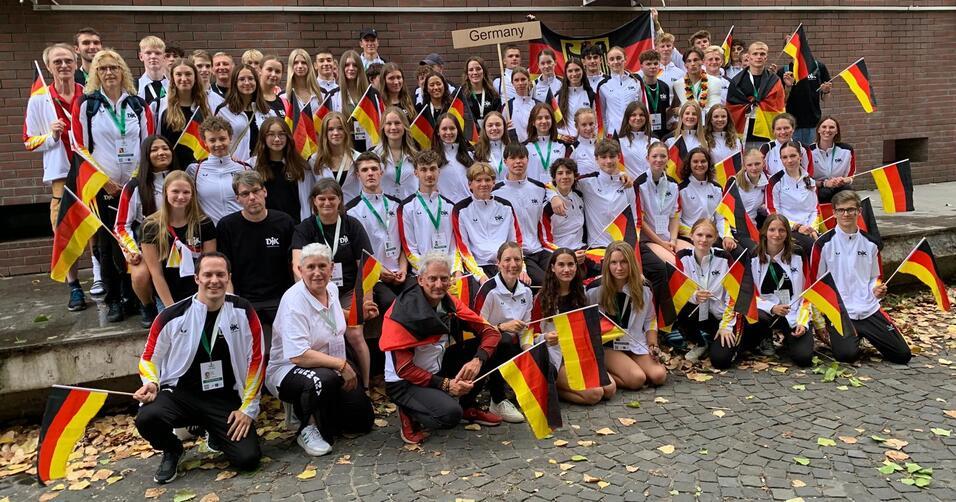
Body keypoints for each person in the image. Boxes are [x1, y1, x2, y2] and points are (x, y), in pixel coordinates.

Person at [133, 252, 264, 484]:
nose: (214, 280)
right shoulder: (171, 316)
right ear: (196, 279)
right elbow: (148, 358)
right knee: (147, 417)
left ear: (229, 277)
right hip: (181, 396)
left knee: (248, 459)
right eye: (208, 274)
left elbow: (257, 360)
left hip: (224, 398)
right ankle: (172, 449)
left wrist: (247, 409)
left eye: (220, 274)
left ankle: (214, 431)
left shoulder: (243, 311)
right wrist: (151, 382)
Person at [380, 251, 503, 445]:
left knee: (493, 347)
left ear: (451, 280)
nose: (439, 285)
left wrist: (477, 360)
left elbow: (491, 332)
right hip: (405, 381)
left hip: (436, 367)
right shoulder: (402, 311)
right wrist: (447, 385)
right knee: (449, 415)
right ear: (420, 280)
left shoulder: (449, 302)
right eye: (432, 279)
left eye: (444, 279)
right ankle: (408, 410)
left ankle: (468, 405)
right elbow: (404, 369)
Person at [266, 243, 376, 456]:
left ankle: (324, 412)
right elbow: (298, 355)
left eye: (322, 266)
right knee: (323, 379)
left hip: (329, 363)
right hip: (289, 369)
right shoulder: (293, 302)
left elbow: (330, 313)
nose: (317, 273)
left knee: (362, 421)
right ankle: (308, 427)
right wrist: (341, 364)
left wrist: (357, 312)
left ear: (331, 268)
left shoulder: (331, 289)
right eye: (311, 267)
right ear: (300, 270)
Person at [72, 49, 154, 322]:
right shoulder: (87, 104)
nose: (109, 73)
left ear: (123, 71)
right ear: (95, 73)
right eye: (103, 68)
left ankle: (138, 297)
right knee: (108, 244)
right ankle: (114, 298)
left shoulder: (138, 104)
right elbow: (79, 146)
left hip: (133, 185)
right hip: (103, 186)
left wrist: (136, 178)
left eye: (114, 67)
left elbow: (149, 143)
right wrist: (104, 182)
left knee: (138, 240)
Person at [809, 190, 912, 365]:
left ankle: (864, 334)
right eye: (841, 210)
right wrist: (823, 316)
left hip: (868, 308)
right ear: (833, 212)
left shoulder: (871, 243)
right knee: (846, 355)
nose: (846, 214)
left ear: (859, 211)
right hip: (841, 311)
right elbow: (816, 283)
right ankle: (849, 336)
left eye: (850, 209)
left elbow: (876, 276)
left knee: (902, 355)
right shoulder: (823, 244)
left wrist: (877, 288)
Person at [291, 179, 374, 385]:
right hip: (316, 292)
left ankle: (364, 384)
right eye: (322, 199)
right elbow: (297, 265)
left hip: (347, 290)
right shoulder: (305, 228)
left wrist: (364, 301)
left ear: (340, 200)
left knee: (355, 333)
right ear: (314, 202)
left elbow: (366, 266)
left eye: (332, 198)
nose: (327, 203)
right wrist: (311, 294)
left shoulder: (351, 224)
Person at [25, 43, 86, 311]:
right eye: (57, 62)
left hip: (88, 170)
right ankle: (74, 286)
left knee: (95, 228)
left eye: (68, 61)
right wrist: (51, 136)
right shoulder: (40, 100)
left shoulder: (88, 95)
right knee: (64, 229)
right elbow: (28, 142)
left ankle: (100, 279)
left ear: (76, 63)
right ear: (48, 67)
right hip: (61, 174)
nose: (63, 66)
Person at [533, 248, 616, 403]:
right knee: (594, 395)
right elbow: (531, 333)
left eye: (571, 264)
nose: (567, 269)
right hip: (557, 357)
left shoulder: (582, 293)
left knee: (610, 389)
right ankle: (551, 385)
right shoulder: (542, 298)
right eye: (561, 265)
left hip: (579, 353)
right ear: (552, 267)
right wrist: (545, 337)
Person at [216, 170, 295, 327]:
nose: (252, 198)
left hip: (281, 299)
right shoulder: (227, 226)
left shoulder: (284, 222)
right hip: (244, 301)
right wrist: (231, 304)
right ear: (237, 198)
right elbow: (225, 269)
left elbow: (294, 264)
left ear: (264, 191)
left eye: (256, 191)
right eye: (245, 194)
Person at [588, 241, 667, 390]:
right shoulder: (594, 290)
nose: (619, 268)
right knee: (637, 379)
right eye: (614, 262)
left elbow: (650, 319)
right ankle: (607, 372)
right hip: (608, 346)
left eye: (624, 262)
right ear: (607, 265)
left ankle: (627, 368)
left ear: (631, 262)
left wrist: (652, 344)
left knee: (658, 375)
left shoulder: (644, 288)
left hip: (634, 342)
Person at [737, 214, 813, 368]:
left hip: (792, 311)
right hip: (766, 311)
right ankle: (764, 337)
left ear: (787, 233)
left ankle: (788, 340)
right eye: (772, 230)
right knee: (750, 330)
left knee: (804, 358)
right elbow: (748, 293)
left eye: (782, 230)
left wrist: (803, 322)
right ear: (764, 231)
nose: (777, 235)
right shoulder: (753, 255)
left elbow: (808, 291)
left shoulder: (798, 254)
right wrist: (771, 307)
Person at [115, 135, 175, 327]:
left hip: (178, 241)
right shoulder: (134, 186)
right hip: (148, 243)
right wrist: (132, 251)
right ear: (146, 156)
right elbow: (121, 225)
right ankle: (148, 306)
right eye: (154, 150)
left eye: (165, 148)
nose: (161, 153)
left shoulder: (182, 178)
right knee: (140, 274)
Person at [140, 171, 217, 309]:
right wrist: (172, 308)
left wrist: (201, 302)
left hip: (199, 296)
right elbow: (156, 274)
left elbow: (208, 267)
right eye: (175, 191)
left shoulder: (204, 224)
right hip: (167, 297)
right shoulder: (150, 226)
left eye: (186, 192)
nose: (181, 197)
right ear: (165, 193)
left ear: (192, 194)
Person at [475, 242, 532, 423]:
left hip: (514, 349)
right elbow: (476, 327)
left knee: (539, 353)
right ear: (498, 263)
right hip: (488, 348)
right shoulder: (489, 290)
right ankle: (497, 399)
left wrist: (528, 349)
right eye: (507, 259)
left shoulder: (527, 291)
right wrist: (501, 327)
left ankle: (519, 391)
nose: (512, 264)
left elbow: (528, 328)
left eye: (517, 259)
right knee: (505, 339)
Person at [345, 152, 411, 301]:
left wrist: (403, 269)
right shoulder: (350, 210)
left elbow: (405, 243)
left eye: (374, 169)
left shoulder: (397, 205)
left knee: (417, 298)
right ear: (357, 175)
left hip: (400, 273)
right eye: (365, 170)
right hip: (374, 277)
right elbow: (356, 251)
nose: (370, 173)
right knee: (392, 303)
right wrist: (378, 271)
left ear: (381, 173)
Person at [674, 218, 739, 362]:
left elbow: (733, 294)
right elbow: (679, 289)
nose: (703, 239)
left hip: (724, 315)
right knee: (680, 309)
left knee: (720, 360)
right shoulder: (682, 256)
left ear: (715, 238)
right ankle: (700, 343)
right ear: (691, 236)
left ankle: (734, 345)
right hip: (701, 312)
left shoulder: (724, 257)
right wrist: (694, 296)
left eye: (709, 236)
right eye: (699, 235)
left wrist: (726, 326)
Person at [493, 143, 552, 285]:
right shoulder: (495, 192)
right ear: (505, 161)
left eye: (521, 157)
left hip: (540, 249)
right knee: (546, 283)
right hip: (519, 254)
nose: (518, 162)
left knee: (564, 273)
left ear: (527, 160)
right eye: (513, 158)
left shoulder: (539, 188)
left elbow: (553, 190)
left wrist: (554, 196)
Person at [453, 162, 522, 281]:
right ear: (470, 184)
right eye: (478, 180)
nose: (483, 184)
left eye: (487, 180)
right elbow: (463, 248)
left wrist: (522, 269)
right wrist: (479, 276)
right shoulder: (461, 210)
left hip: (504, 265)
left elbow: (515, 241)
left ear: (493, 182)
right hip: (477, 266)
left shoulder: (506, 206)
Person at [398, 150, 457, 274]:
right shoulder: (406, 207)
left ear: (439, 171)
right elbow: (410, 249)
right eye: (424, 170)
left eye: (432, 169)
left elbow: (454, 248)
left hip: (448, 273)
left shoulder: (451, 207)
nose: (429, 174)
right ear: (416, 173)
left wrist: (452, 271)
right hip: (421, 274)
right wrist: (430, 271)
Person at [186, 117, 249, 224]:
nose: (218, 144)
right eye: (212, 140)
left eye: (222, 139)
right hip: (211, 235)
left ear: (230, 138)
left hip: (241, 231)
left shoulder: (244, 168)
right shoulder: (194, 170)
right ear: (205, 142)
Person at [250, 117, 311, 221]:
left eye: (281, 134)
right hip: (267, 227)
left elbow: (307, 200)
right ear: (263, 137)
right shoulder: (252, 166)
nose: (277, 139)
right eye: (271, 134)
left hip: (296, 226)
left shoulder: (301, 166)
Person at [155, 58, 213, 169]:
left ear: (195, 77)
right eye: (178, 74)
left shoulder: (204, 107)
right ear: (172, 78)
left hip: (200, 170)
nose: (184, 78)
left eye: (188, 74)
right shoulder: (160, 106)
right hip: (173, 171)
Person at [637, 142, 688, 265]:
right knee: (675, 263)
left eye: (663, 156)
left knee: (694, 256)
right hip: (648, 240)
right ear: (647, 158)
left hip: (668, 238)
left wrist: (674, 240)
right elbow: (640, 221)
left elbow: (674, 216)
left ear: (668, 158)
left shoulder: (673, 184)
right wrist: (662, 243)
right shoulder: (639, 184)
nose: (658, 160)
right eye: (654, 156)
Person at [214, 64, 275, 161]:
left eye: (251, 78)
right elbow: (215, 140)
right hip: (236, 168)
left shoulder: (268, 112)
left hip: (263, 168)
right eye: (242, 79)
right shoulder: (223, 110)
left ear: (256, 82)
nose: (247, 82)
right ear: (235, 83)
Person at [677, 148, 733, 251]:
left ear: (708, 163)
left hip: (712, 235)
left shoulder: (717, 188)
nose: (699, 165)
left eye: (703, 161)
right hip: (690, 237)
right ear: (689, 164)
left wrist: (727, 236)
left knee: (735, 251)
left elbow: (720, 217)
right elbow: (677, 220)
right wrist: (695, 234)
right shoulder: (680, 189)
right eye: (695, 161)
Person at [767, 141, 818, 252]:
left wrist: (812, 228)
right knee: (811, 246)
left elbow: (814, 209)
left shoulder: (810, 180)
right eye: (785, 157)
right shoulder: (775, 181)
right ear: (781, 159)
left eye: (793, 156)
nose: (789, 161)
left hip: (809, 228)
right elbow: (772, 211)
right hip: (785, 228)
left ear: (800, 156)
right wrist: (797, 227)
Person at [728, 42, 782, 145]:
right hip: (743, 133)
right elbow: (732, 107)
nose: (759, 57)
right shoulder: (737, 81)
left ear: (766, 57)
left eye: (762, 54)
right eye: (755, 54)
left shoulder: (774, 80)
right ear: (748, 57)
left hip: (767, 132)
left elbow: (779, 107)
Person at [778, 52, 831, 144]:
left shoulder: (818, 68)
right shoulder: (783, 71)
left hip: (813, 124)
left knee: (811, 156)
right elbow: (781, 101)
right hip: (791, 126)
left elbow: (825, 99)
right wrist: (788, 87)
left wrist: (826, 91)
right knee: (792, 156)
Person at [310, 111, 361, 202]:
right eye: (330, 129)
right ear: (325, 133)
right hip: (325, 213)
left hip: (354, 214)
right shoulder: (314, 161)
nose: (336, 133)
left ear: (346, 131)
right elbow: (309, 194)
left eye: (340, 128)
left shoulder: (358, 158)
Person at [595, 46, 644, 137]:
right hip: (613, 135)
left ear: (625, 59)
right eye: (612, 59)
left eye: (619, 58)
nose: (616, 62)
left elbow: (643, 107)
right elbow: (601, 114)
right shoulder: (603, 85)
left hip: (634, 132)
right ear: (608, 63)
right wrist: (606, 134)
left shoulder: (636, 81)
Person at [372, 107, 419, 200]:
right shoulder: (374, 155)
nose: (393, 127)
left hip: (410, 209)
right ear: (383, 127)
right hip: (384, 208)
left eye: (397, 123)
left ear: (404, 126)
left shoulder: (416, 155)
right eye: (389, 123)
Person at [542, 159, 586, 256]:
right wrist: (566, 256)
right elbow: (545, 241)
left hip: (581, 248)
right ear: (554, 177)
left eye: (568, 173)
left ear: (575, 176)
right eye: (560, 173)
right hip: (558, 252)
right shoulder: (548, 205)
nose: (565, 176)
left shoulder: (579, 196)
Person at [809, 116, 855, 203]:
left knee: (847, 191)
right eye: (824, 127)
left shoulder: (847, 150)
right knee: (824, 193)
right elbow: (805, 180)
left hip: (840, 187)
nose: (827, 130)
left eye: (831, 127)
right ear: (818, 130)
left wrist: (843, 180)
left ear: (837, 131)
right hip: (819, 188)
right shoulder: (808, 152)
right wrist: (824, 183)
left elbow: (851, 175)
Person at [433, 113, 475, 203]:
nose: (448, 132)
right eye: (444, 129)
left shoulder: (470, 156)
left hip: (468, 210)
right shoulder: (432, 158)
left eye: (452, 128)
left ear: (458, 130)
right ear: (438, 132)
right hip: (443, 210)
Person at [334, 50, 371, 151]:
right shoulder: (334, 95)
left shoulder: (371, 94)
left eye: (355, 65)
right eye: (347, 65)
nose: (351, 68)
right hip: (346, 146)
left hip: (368, 145)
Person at [523, 102, 568, 184]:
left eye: (547, 117)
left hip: (555, 192)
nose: (544, 121)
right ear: (533, 122)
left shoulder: (563, 145)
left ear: (552, 120)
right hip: (533, 192)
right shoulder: (524, 147)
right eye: (539, 118)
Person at [618, 101, 660, 179]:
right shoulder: (619, 143)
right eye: (633, 115)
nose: (638, 118)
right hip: (629, 187)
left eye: (641, 115)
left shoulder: (655, 141)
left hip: (650, 187)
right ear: (627, 117)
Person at [635, 50, 671, 139]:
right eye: (648, 64)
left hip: (663, 133)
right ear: (641, 66)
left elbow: (666, 111)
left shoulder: (664, 86)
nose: (653, 67)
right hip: (643, 133)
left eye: (655, 63)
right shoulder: (637, 87)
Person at [555, 58, 594, 141]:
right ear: (566, 73)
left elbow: (596, 121)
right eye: (570, 71)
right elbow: (554, 122)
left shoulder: (590, 94)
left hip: (585, 141)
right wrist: (561, 136)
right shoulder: (559, 96)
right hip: (565, 142)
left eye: (577, 70)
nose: (574, 74)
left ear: (583, 71)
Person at [675, 48, 723, 114]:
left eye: (695, 60)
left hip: (707, 123)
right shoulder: (678, 84)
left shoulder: (715, 82)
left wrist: (681, 111)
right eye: (689, 61)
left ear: (702, 61)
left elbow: (713, 110)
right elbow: (673, 109)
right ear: (685, 65)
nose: (692, 64)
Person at [733, 148, 770, 232]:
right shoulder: (734, 183)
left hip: (753, 226)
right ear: (744, 166)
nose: (754, 168)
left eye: (757, 164)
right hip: (735, 227)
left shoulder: (768, 182)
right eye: (749, 165)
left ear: (763, 163)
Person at [460, 56, 501, 127]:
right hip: (470, 135)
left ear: (484, 71)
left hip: (489, 133)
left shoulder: (493, 94)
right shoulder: (461, 95)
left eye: (478, 69)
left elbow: (498, 117)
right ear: (467, 74)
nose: (475, 72)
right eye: (471, 70)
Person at [285, 49, 325, 120]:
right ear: (291, 66)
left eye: (303, 62)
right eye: (296, 62)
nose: (300, 66)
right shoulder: (283, 96)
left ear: (309, 65)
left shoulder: (322, 94)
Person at [505, 67, 538, 143]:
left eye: (523, 79)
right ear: (512, 83)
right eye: (516, 80)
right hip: (517, 149)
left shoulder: (537, 105)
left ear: (529, 81)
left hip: (535, 147)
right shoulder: (507, 106)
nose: (520, 83)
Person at [473, 111, 509, 178]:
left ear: (504, 127)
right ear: (484, 128)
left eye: (498, 124)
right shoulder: (475, 151)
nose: (494, 128)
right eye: (490, 125)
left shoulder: (512, 149)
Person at [137, 36, 168, 108]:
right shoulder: (135, 87)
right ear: (141, 56)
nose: (153, 56)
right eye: (148, 53)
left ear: (164, 57)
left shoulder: (173, 86)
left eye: (158, 53)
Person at [567, 108, 599, 176]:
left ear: (595, 123)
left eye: (591, 124)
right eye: (584, 125)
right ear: (577, 126)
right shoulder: (572, 149)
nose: (588, 128)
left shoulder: (602, 146)